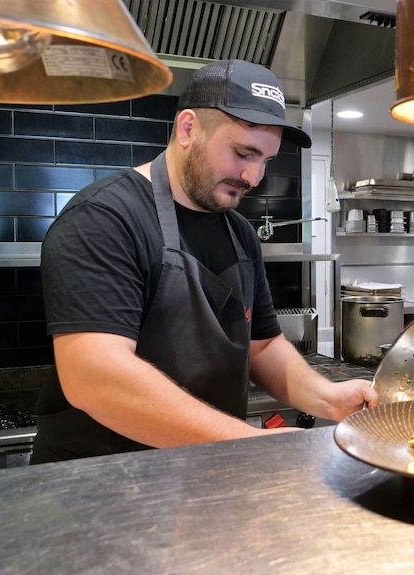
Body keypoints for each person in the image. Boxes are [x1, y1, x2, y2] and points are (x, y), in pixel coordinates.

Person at [31, 59, 378, 463]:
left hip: (203, 476)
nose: (253, 177)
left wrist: (328, 397)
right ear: (188, 128)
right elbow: (95, 378)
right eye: (243, 153)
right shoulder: (105, 218)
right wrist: (247, 442)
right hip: (102, 484)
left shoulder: (239, 232)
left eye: (265, 160)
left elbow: (263, 347)